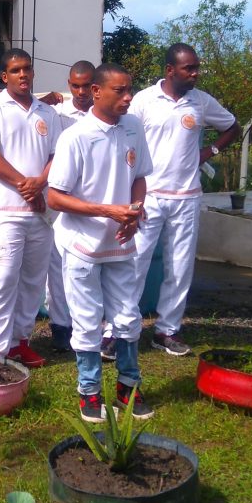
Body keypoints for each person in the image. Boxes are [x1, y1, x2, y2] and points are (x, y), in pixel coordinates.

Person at [48, 63, 152, 422]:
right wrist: (108, 210)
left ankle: (128, 386)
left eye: (130, 90)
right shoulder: (76, 137)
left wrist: (134, 211)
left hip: (121, 241)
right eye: (120, 91)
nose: (128, 98)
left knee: (128, 316)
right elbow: (55, 198)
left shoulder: (134, 127)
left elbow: (139, 177)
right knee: (88, 319)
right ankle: (89, 392)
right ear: (96, 92)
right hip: (83, 245)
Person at [129, 43, 239, 356]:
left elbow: (232, 127)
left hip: (186, 197)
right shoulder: (144, 100)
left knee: (179, 268)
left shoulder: (201, 102)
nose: (195, 74)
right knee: (134, 263)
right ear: (169, 70)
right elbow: (125, 135)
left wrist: (209, 151)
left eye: (196, 68)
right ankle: (120, 329)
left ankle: (167, 330)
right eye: (188, 68)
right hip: (147, 195)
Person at [0, 49, 60, 367]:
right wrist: (27, 185)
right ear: (4, 76)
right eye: (16, 70)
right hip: (4, 211)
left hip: (39, 212)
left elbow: (55, 157)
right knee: (4, 278)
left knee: (33, 281)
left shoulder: (47, 113)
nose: (23, 74)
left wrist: (40, 184)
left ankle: (20, 342)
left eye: (27, 69)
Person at [45, 60, 95, 352]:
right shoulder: (58, 113)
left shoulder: (107, 114)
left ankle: (89, 324)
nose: (80, 92)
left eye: (86, 85)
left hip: (95, 198)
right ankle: (60, 326)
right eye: (74, 85)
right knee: (58, 263)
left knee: (92, 263)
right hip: (61, 197)